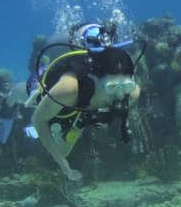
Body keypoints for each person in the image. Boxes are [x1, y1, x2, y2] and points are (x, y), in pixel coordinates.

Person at [27, 23, 141, 182]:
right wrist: (62, 163)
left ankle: (79, 122)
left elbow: (123, 101)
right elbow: (37, 120)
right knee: (62, 151)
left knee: (66, 145)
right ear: (96, 78)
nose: (120, 94)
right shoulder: (69, 88)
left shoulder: (132, 92)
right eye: (113, 86)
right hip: (56, 93)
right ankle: (38, 65)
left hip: (82, 108)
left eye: (126, 85)